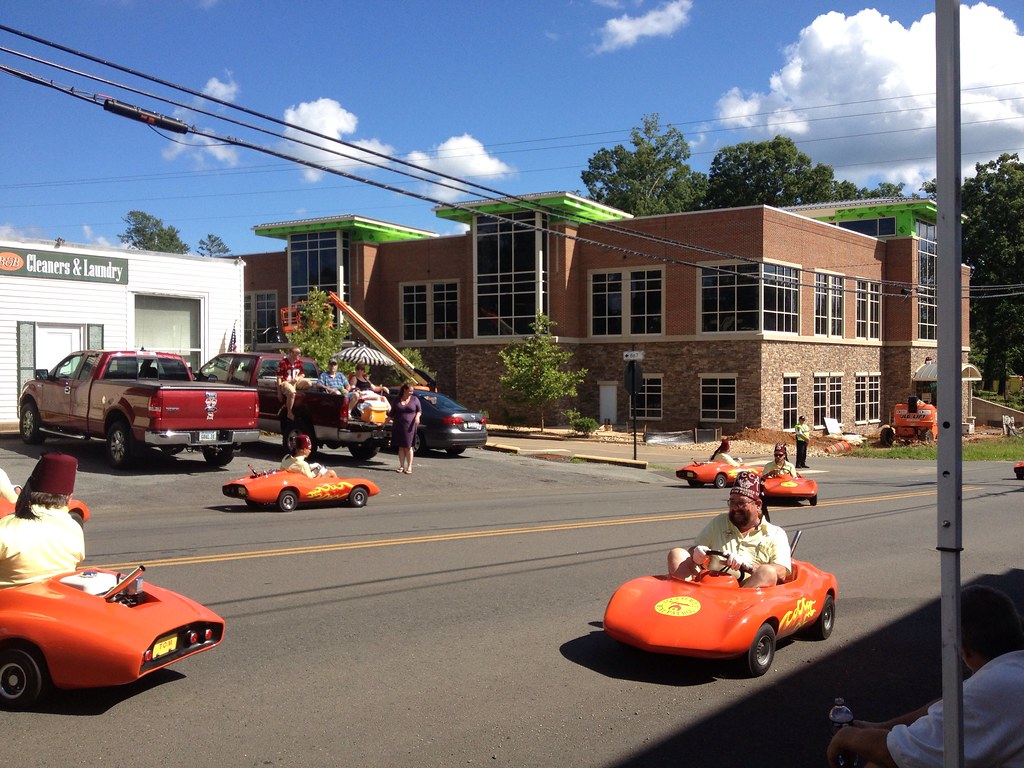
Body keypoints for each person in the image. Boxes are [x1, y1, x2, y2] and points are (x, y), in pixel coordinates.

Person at [827, 584, 1024, 768]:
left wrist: (847, 736)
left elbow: (899, 754)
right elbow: (951, 706)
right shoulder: (1009, 672)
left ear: (964, 650)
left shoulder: (996, 686)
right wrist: (882, 726)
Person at [667, 469, 791, 589]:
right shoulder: (720, 521)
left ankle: (734, 608)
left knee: (767, 572)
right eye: (732, 502)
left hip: (746, 595)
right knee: (677, 554)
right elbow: (693, 550)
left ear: (758, 505)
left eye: (741, 503)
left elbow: (781, 572)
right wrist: (697, 553)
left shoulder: (775, 533)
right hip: (709, 586)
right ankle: (687, 603)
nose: (735, 508)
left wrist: (748, 566)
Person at [0, 453, 86, 588]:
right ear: (69, 498)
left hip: (9, 605)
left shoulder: (5, 529)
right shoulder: (75, 530)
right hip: (54, 605)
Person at [391, 382, 422, 474]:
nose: (411, 393)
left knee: (408, 447)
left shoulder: (415, 399)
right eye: (410, 391)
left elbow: (419, 411)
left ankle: (409, 467)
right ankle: (401, 466)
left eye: (412, 391)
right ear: (405, 390)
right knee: (401, 447)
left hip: (410, 426)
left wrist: (417, 417)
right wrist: (384, 423)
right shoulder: (397, 399)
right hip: (398, 425)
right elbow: (392, 413)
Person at [277, 346, 312, 421]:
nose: (299, 355)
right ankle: (289, 413)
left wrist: (297, 378)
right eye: (297, 353)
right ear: (291, 353)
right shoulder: (283, 362)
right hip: (286, 382)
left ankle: (300, 398)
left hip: (296, 381)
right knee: (292, 392)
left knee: (309, 383)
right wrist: (279, 393)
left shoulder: (299, 363)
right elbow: (279, 378)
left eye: (300, 353)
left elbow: (302, 374)